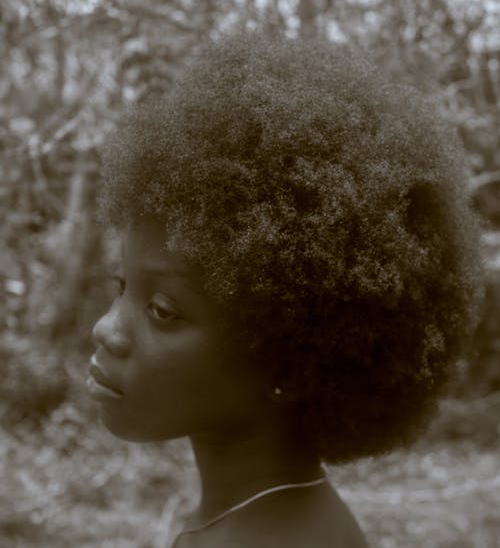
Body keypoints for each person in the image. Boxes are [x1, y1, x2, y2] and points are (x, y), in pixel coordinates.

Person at [88, 31, 482, 547]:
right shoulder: (295, 517)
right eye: (122, 286)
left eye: (163, 310)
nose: (107, 329)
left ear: (291, 360)